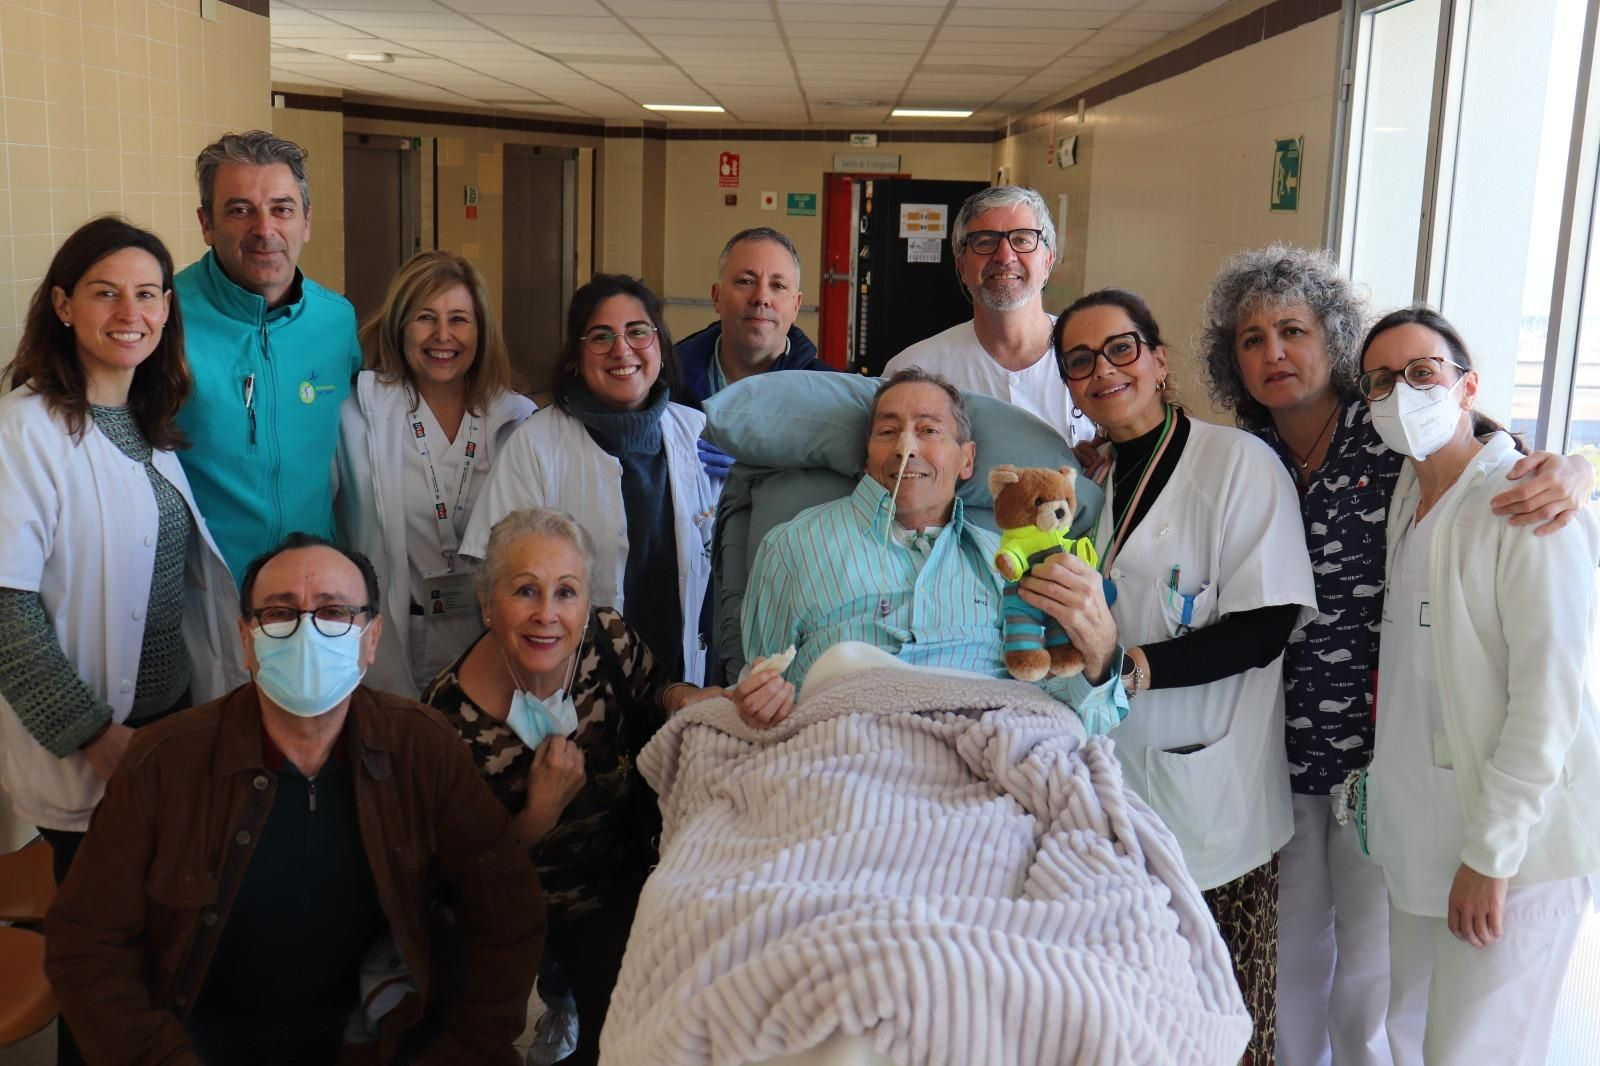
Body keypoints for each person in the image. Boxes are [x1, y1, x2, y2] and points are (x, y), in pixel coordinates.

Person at [1197, 245, 1594, 1066]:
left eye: (1294, 330)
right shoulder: (1243, 459)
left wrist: (1576, 469)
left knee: (1384, 991)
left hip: (1388, 754)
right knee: (1310, 963)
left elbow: (1495, 460)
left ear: (1332, 342)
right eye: (1253, 338)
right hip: (1287, 743)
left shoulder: (1391, 447)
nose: (1274, 351)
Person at [44, 534, 544, 1066]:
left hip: (379, 1031)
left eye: (333, 611)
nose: (307, 631)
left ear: (371, 639)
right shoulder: (163, 763)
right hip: (204, 1038)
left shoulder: (423, 747)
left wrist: (463, 1050)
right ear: (246, 640)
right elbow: (86, 945)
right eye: (280, 613)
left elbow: (507, 911)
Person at [0, 216, 245, 1066]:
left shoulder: (144, 424)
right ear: (64, 304)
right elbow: (6, 609)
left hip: (164, 730)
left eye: (147, 294)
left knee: (155, 962)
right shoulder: (25, 429)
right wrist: (93, 735)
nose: (129, 311)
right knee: (102, 972)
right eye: (105, 292)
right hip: (94, 748)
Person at [1057, 288, 1318, 1065]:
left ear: (1160, 360)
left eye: (1122, 348)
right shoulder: (1088, 488)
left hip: (1213, 803)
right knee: (1139, 1021)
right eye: (1080, 361)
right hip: (1113, 793)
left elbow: (1266, 626)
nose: (1104, 370)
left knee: (1223, 1017)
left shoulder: (1237, 464)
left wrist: (1128, 666)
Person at [1350, 307, 1600, 1066]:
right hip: (1421, 843)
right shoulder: (1409, 495)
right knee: (1411, 1036)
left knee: (1474, 1052)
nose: (1402, 392)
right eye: (1383, 380)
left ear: (1469, 387)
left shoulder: (1522, 505)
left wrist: (1492, 856)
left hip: (1511, 851)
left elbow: (1547, 697)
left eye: (1423, 372)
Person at [425, 508, 721, 1066]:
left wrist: (682, 697)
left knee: (626, 1040)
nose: (547, 615)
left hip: (608, 894)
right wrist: (538, 814)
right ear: (487, 604)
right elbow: (448, 882)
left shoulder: (607, 638)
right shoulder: (444, 724)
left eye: (566, 592)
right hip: (503, 917)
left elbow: (656, 692)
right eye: (524, 591)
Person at [734, 366, 1125, 734]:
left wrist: (1101, 651)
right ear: (868, 457)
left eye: (929, 431)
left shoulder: (1013, 568)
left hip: (980, 767)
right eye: (887, 431)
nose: (906, 448)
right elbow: (759, 687)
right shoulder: (792, 547)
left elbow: (1078, 718)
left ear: (967, 459)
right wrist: (758, 703)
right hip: (840, 758)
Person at [461, 274, 721, 685]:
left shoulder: (702, 437)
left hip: (683, 683)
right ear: (575, 358)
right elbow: (496, 583)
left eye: (638, 332)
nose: (622, 349)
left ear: (660, 345)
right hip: (571, 694)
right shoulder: (536, 444)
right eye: (601, 337)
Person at [335, 250, 535, 699]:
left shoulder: (516, 421)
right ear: (400, 325)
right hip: (387, 641)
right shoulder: (357, 415)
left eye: (460, 319)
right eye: (426, 317)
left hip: (488, 640)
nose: (443, 336)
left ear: (481, 331)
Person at [175, 130, 363, 581]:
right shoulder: (165, 319)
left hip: (310, 592)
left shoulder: (336, 320)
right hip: (204, 594)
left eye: (282, 209)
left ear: (307, 221)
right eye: (240, 210)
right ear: (206, 223)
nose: (265, 229)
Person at [880, 185, 1093, 445]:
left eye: (1022, 239)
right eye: (985, 241)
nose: (1004, 256)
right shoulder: (914, 369)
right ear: (961, 266)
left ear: (1048, 260)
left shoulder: (1096, 361)